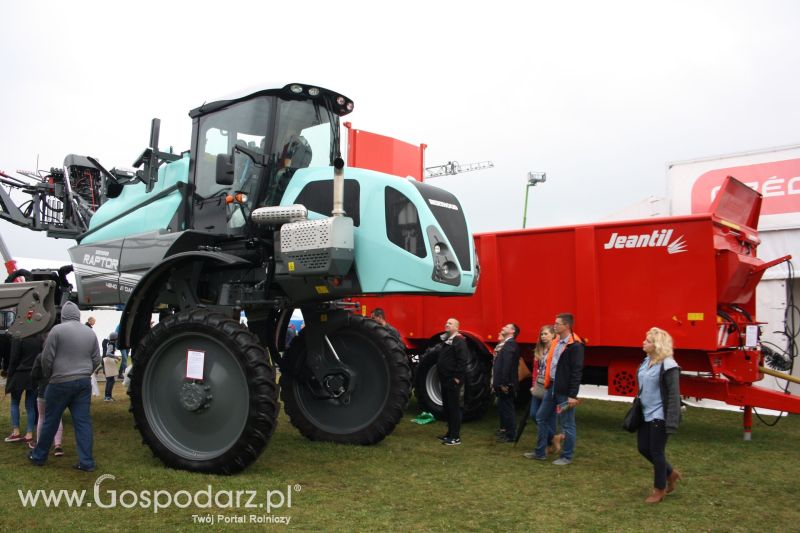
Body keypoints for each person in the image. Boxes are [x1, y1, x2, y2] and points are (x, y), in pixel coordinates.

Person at [28, 301, 101, 472]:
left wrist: (49, 374)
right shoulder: (89, 333)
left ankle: (39, 456)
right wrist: (86, 371)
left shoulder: (57, 330)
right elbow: (97, 358)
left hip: (59, 382)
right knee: (83, 422)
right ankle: (86, 462)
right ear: (78, 315)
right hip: (83, 383)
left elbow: (46, 357)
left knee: (50, 420)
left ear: (63, 316)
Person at [637, 327, 682, 503]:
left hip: (659, 415)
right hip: (644, 413)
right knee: (643, 448)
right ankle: (671, 473)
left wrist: (671, 420)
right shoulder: (645, 361)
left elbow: (673, 395)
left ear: (657, 345)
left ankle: (659, 489)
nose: (643, 342)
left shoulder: (669, 365)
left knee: (656, 452)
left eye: (647, 341)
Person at [532, 313, 584, 465]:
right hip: (551, 387)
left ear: (566, 326)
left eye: (557, 324)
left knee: (567, 423)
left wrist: (572, 395)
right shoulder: (556, 342)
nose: (554, 326)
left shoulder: (575, 346)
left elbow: (576, 372)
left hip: (565, 392)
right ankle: (540, 451)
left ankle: (566, 456)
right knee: (540, 416)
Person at [524, 325, 563, 458]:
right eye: (541, 334)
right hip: (539, 385)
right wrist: (533, 385)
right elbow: (535, 369)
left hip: (550, 386)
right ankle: (553, 438)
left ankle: (545, 448)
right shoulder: (539, 350)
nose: (543, 336)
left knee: (547, 417)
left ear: (553, 335)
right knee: (534, 414)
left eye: (546, 334)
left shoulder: (556, 349)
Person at [3, 334, 42, 444]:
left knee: (15, 403)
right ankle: (29, 434)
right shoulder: (39, 338)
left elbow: (14, 359)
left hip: (19, 374)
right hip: (33, 375)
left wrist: (9, 375)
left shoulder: (18, 337)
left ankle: (16, 432)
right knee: (30, 405)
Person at [436, 318, 468, 446]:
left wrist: (457, 378)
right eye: (446, 322)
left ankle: (455, 437)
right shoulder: (448, 340)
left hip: (453, 381)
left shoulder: (459, 341)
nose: (446, 324)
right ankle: (449, 433)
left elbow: (462, 361)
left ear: (457, 327)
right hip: (445, 380)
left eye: (450, 323)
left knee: (454, 408)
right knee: (448, 408)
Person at [30, 350, 64, 456]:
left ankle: (40, 443)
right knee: (58, 417)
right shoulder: (61, 355)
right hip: (58, 390)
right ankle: (58, 445)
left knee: (42, 417)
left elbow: (34, 374)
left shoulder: (40, 356)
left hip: (43, 390)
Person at [492, 323, 520, 443]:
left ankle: (511, 435)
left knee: (508, 409)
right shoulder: (507, 344)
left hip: (506, 384)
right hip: (504, 383)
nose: (503, 327)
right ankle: (507, 432)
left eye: (507, 327)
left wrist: (504, 383)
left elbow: (507, 366)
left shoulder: (510, 344)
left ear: (512, 331)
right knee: (504, 407)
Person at [103, 331, 121, 401]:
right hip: (109, 363)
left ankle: (108, 396)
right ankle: (107, 396)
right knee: (110, 380)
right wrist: (116, 357)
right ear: (115, 338)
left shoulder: (111, 343)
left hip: (109, 363)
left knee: (110, 380)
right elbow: (108, 353)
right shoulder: (111, 344)